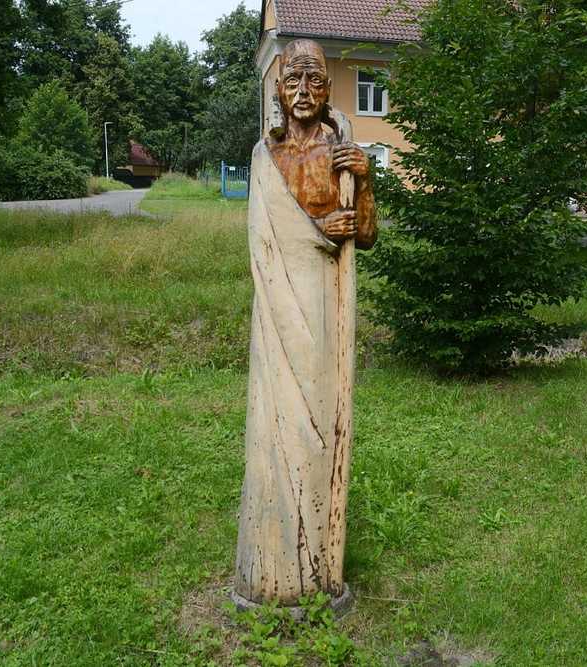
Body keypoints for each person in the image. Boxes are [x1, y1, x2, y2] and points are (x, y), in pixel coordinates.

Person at [233, 39, 376, 609]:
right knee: (273, 425)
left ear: (328, 88)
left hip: (322, 301)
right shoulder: (263, 156)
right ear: (278, 88)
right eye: (293, 80)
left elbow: (366, 235)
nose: (303, 91)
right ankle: (271, 564)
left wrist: (365, 183)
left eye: (314, 80)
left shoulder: (341, 153)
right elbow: (260, 238)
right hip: (276, 304)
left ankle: (316, 558)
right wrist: (317, 231)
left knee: (318, 417)